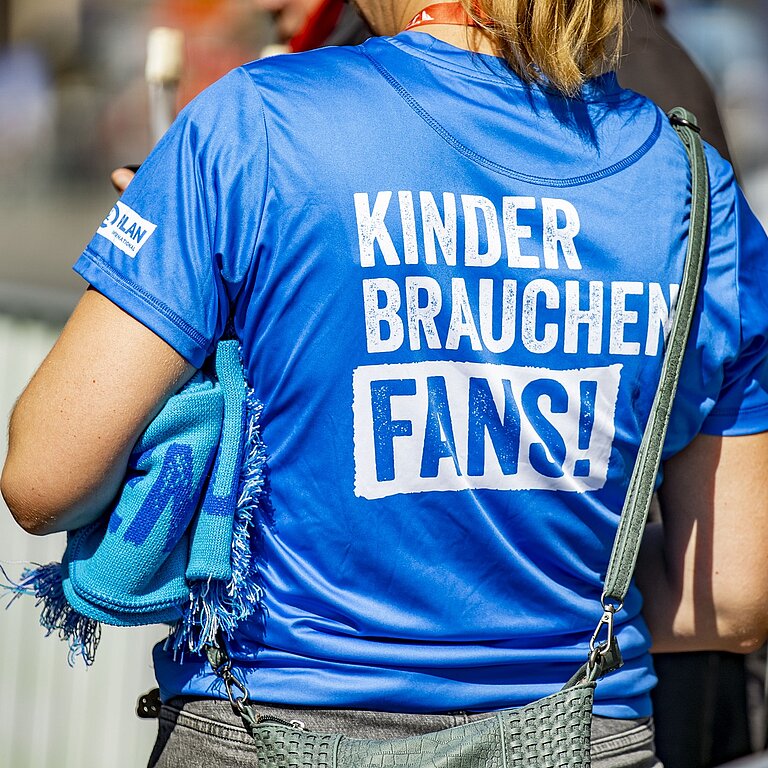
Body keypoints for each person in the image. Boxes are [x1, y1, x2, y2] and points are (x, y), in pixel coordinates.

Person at [3, 1, 768, 767]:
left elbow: (44, 477)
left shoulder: (258, 119)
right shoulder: (696, 187)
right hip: (578, 733)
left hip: (268, 722)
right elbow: (734, 598)